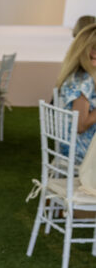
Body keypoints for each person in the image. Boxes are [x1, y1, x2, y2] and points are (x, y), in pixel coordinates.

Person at [56, 24, 96, 165]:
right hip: (81, 153)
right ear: (93, 53)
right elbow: (80, 126)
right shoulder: (83, 82)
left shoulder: (82, 76)